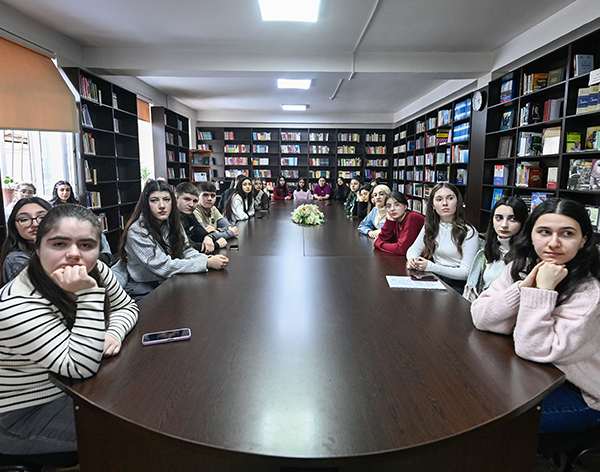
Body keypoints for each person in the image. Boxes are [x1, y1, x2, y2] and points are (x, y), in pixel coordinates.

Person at [0, 204, 138, 456]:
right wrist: (87, 293)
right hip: (24, 411)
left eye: (86, 245)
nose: (74, 254)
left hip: (72, 387)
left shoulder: (95, 269)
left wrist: (113, 333)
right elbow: (80, 366)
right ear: (37, 248)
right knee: (137, 436)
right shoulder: (16, 304)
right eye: (59, 244)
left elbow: (126, 306)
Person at [471, 198, 600, 434]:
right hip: (531, 374)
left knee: (487, 418)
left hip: (580, 391)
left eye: (567, 234)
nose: (553, 243)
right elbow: (481, 317)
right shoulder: (522, 266)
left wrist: (542, 291)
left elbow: (533, 348)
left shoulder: (589, 291)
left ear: (583, 240)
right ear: (530, 235)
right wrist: (522, 287)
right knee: (469, 391)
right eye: (544, 232)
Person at [117, 180, 228, 300]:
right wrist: (206, 263)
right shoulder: (137, 232)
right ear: (146, 204)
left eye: (166, 199)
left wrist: (208, 259)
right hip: (144, 289)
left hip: (168, 280)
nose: (162, 205)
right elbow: (163, 266)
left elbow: (185, 250)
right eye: (154, 200)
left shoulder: (173, 223)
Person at [406, 183, 479, 294]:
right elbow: (414, 249)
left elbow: (466, 273)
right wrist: (412, 260)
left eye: (450, 198)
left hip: (456, 284)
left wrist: (431, 267)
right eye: (439, 199)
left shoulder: (469, 232)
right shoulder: (430, 226)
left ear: (458, 202)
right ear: (433, 205)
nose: (445, 203)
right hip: (434, 277)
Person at [463, 196, 528, 302]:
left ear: (522, 223)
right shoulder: (486, 253)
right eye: (499, 218)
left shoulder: (526, 259)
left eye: (513, 219)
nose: (504, 225)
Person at [0, 197, 52, 285]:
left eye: (42, 217)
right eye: (24, 219)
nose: (35, 224)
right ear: (14, 226)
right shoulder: (16, 259)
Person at [175, 182, 225, 253]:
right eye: (187, 199)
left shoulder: (189, 214)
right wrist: (216, 244)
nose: (191, 205)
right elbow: (184, 246)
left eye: (195, 201)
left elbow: (201, 232)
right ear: (175, 198)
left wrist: (209, 237)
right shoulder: (170, 219)